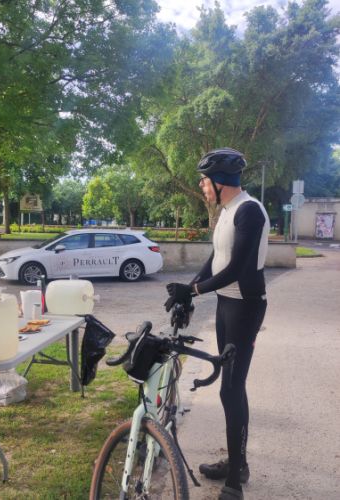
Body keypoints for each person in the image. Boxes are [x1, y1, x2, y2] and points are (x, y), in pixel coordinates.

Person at [165, 148, 270, 500]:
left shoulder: (249, 210)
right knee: (230, 388)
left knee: (231, 388)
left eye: (205, 180)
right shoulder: (226, 212)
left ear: (220, 181)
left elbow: (237, 268)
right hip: (227, 304)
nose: (202, 185)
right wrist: (188, 290)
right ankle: (237, 463)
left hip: (246, 307)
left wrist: (195, 289)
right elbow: (216, 259)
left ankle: (236, 480)